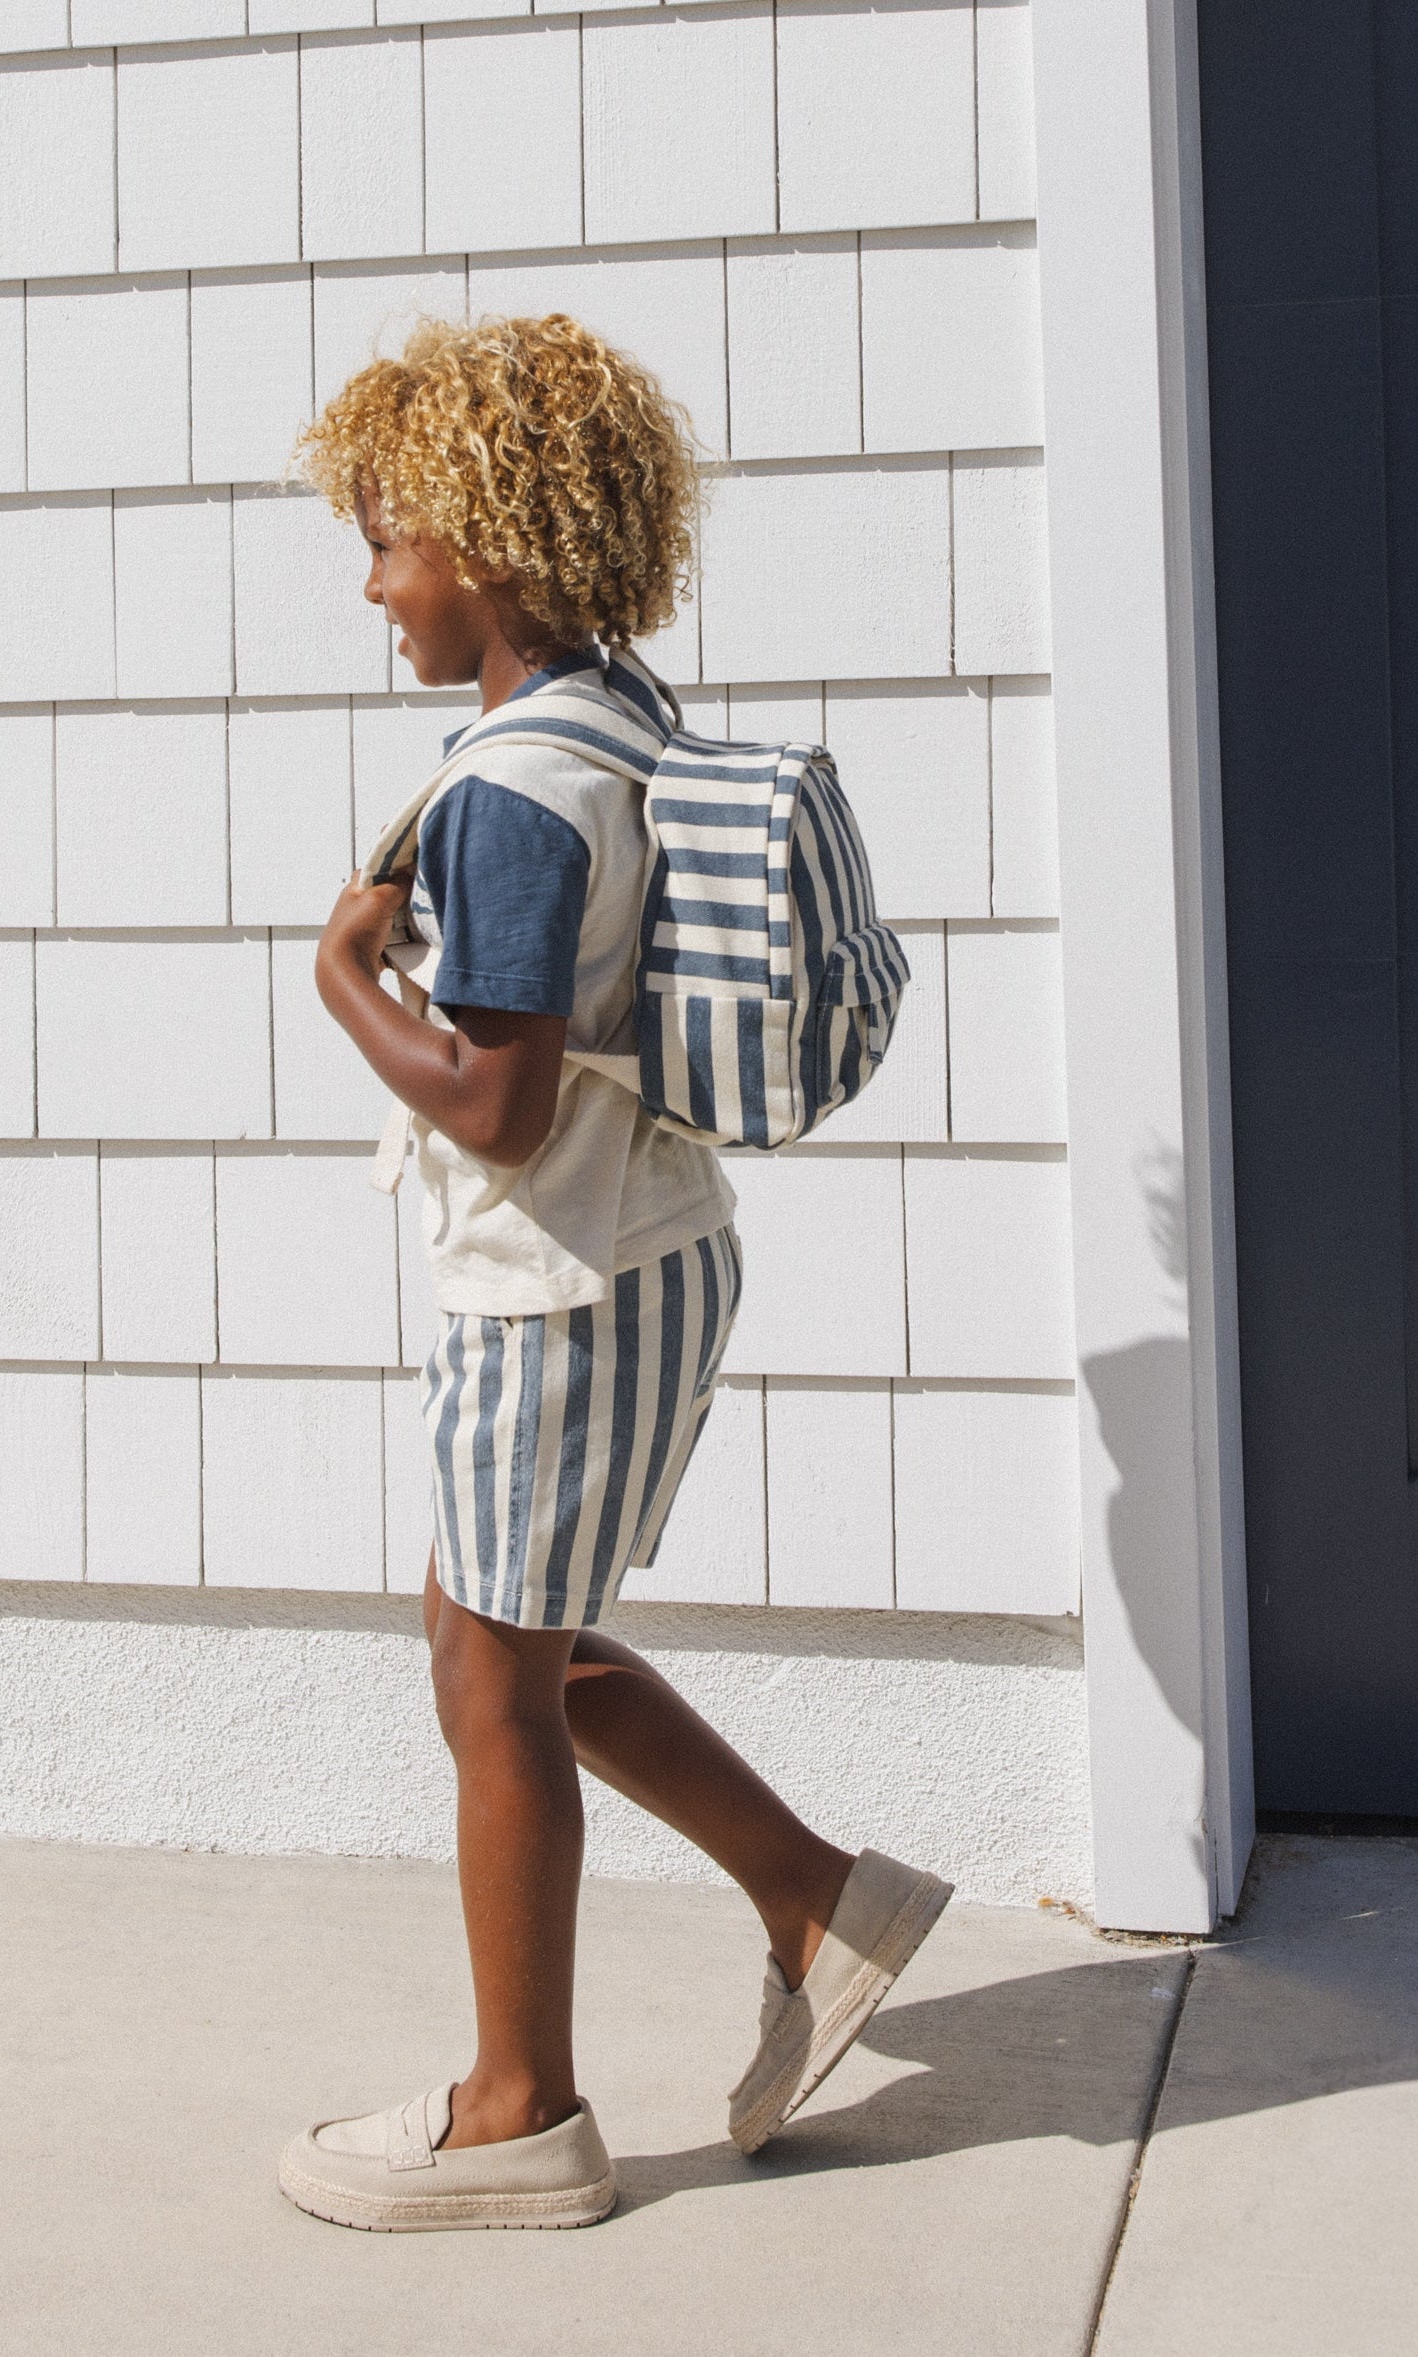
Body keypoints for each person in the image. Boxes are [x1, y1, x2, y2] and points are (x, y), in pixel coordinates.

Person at [278, 315, 951, 2233]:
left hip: (556, 1277)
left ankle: (523, 2112)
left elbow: (492, 1104)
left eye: (392, 533)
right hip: (637, 1253)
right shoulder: (617, 711)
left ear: (483, 540)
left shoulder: (506, 789)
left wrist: (341, 984)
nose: (375, 576)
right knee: (501, 1644)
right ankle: (823, 1899)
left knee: (493, 1678)